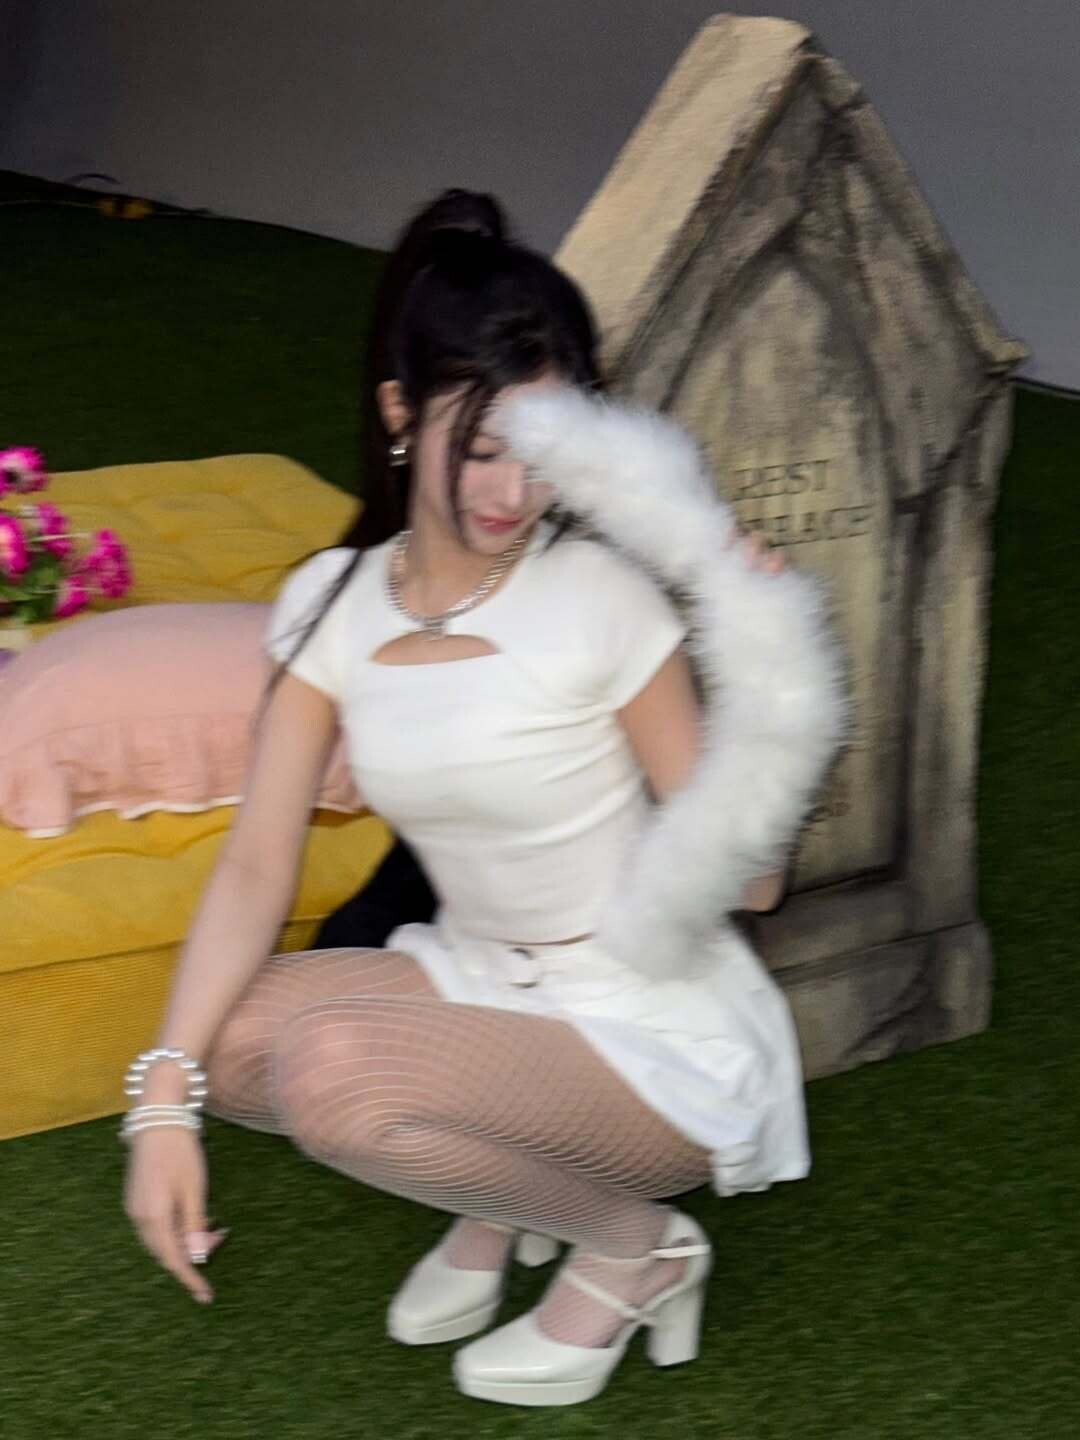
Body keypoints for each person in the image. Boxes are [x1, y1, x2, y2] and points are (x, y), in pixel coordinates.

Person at [122, 189, 845, 1408]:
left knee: (339, 1078)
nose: (514, 492)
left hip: (640, 1027)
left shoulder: (603, 602)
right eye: (483, 444)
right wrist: (160, 1105)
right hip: (476, 979)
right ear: (401, 414)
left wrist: (763, 676)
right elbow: (255, 863)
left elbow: (757, 884)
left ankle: (636, 1245)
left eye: (545, 452)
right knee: (221, 1044)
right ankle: (502, 1196)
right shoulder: (333, 604)